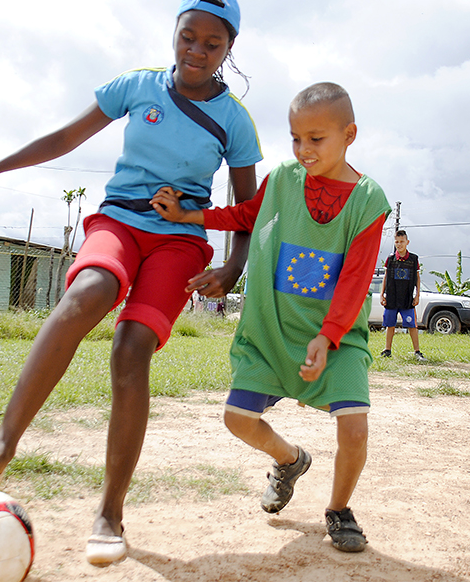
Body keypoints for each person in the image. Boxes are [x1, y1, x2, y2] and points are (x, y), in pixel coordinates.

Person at [0, 0, 261, 566]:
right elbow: (66, 136)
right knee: (88, 293)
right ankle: (0, 446)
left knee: (131, 348)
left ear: (229, 48)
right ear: (175, 33)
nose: (197, 50)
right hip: (118, 220)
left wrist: (233, 266)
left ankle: (110, 511)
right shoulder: (136, 86)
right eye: (187, 36)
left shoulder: (234, 121)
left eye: (212, 43)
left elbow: (247, 208)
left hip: (181, 240)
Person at [152, 82, 389, 552]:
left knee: (355, 429)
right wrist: (189, 215)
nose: (303, 149)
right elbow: (245, 215)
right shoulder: (283, 179)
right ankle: (290, 459)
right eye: (295, 138)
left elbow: (356, 279)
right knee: (237, 419)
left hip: (335, 337)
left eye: (316, 138)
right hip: (272, 329)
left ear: (350, 134)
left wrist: (329, 336)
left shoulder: (368, 200)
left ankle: (338, 510)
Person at [379, 230, 426, 361]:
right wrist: (382, 295)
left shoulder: (413, 259)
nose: (399, 244)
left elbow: (417, 277)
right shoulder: (390, 259)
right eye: (397, 242)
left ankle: (417, 352)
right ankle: (387, 350)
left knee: (412, 325)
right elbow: (386, 277)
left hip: (406, 298)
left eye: (402, 242)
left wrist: (417, 295)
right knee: (390, 324)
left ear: (407, 242)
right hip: (392, 297)